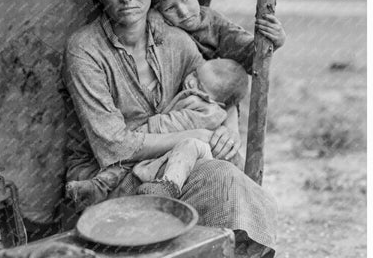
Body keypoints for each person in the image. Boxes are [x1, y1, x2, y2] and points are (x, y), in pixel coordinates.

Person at [62, 0, 277, 258]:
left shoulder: (176, 40)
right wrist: (196, 134)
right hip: (109, 177)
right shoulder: (84, 49)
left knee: (226, 169)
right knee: (220, 177)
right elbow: (112, 146)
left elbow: (214, 90)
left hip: (169, 170)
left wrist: (227, 127)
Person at [66, 57, 248, 207]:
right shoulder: (199, 95)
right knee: (125, 164)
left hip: (180, 154)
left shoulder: (207, 111)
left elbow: (175, 123)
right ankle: (97, 187)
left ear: (218, 102)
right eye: (195, 74)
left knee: (133, 161)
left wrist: (146, 131)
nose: (190, 81)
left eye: (199, 85)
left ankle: (167, 187)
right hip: (169, 149)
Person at [153, 0, 286, 153]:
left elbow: (250, 54)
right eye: (170, 7)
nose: (183, 11)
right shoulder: (160, 27)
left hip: (212, 104)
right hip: (173, 106)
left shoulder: (214, 24)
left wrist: (274, 41)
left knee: (221, 150)